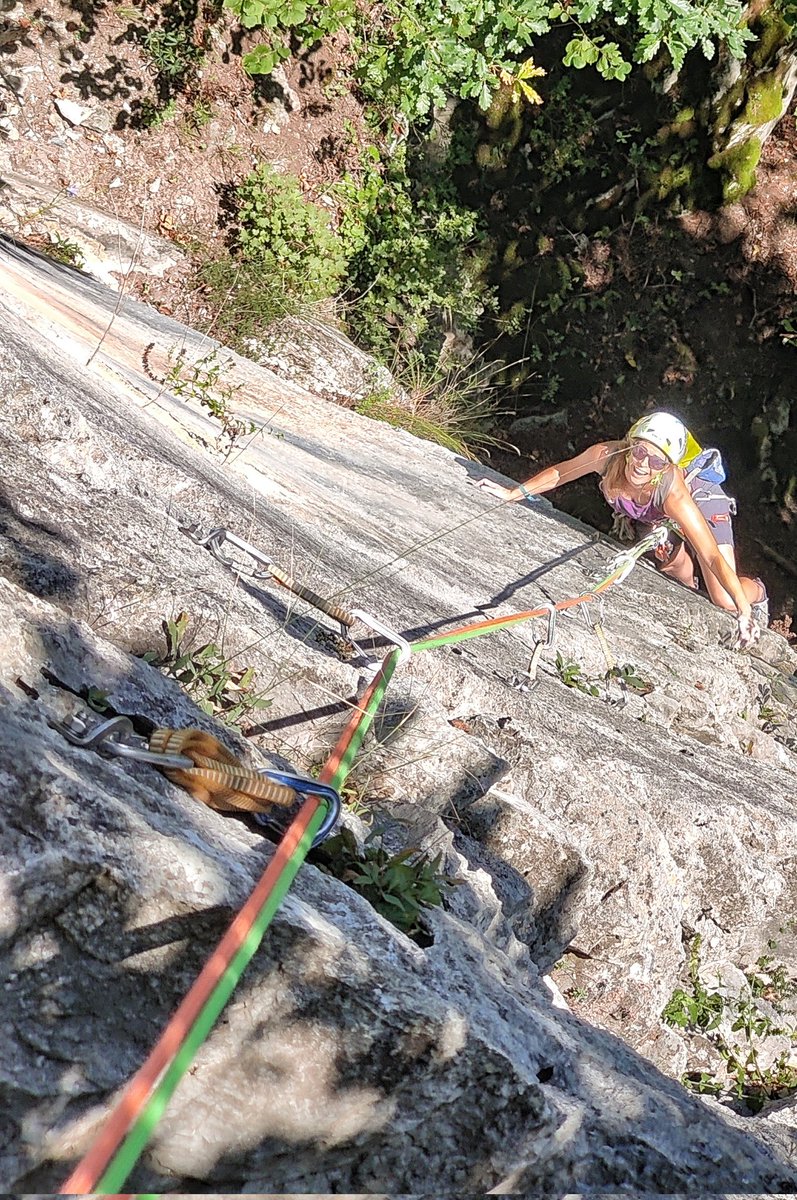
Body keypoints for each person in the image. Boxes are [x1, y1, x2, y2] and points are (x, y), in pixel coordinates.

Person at [477, 411, 768, 649]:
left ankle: (757, 593)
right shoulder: (606, 455)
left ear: (665, 467)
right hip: (655, 511)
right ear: (629, 445)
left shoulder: (673, 493)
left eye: (656, 461)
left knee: (723, 599)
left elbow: (712, 555)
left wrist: (743, 610)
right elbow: (562, 472)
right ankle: (688, 577)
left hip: (700, 499)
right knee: (673, 571)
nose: (643, 463)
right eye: (640, 451)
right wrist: (514, 493)